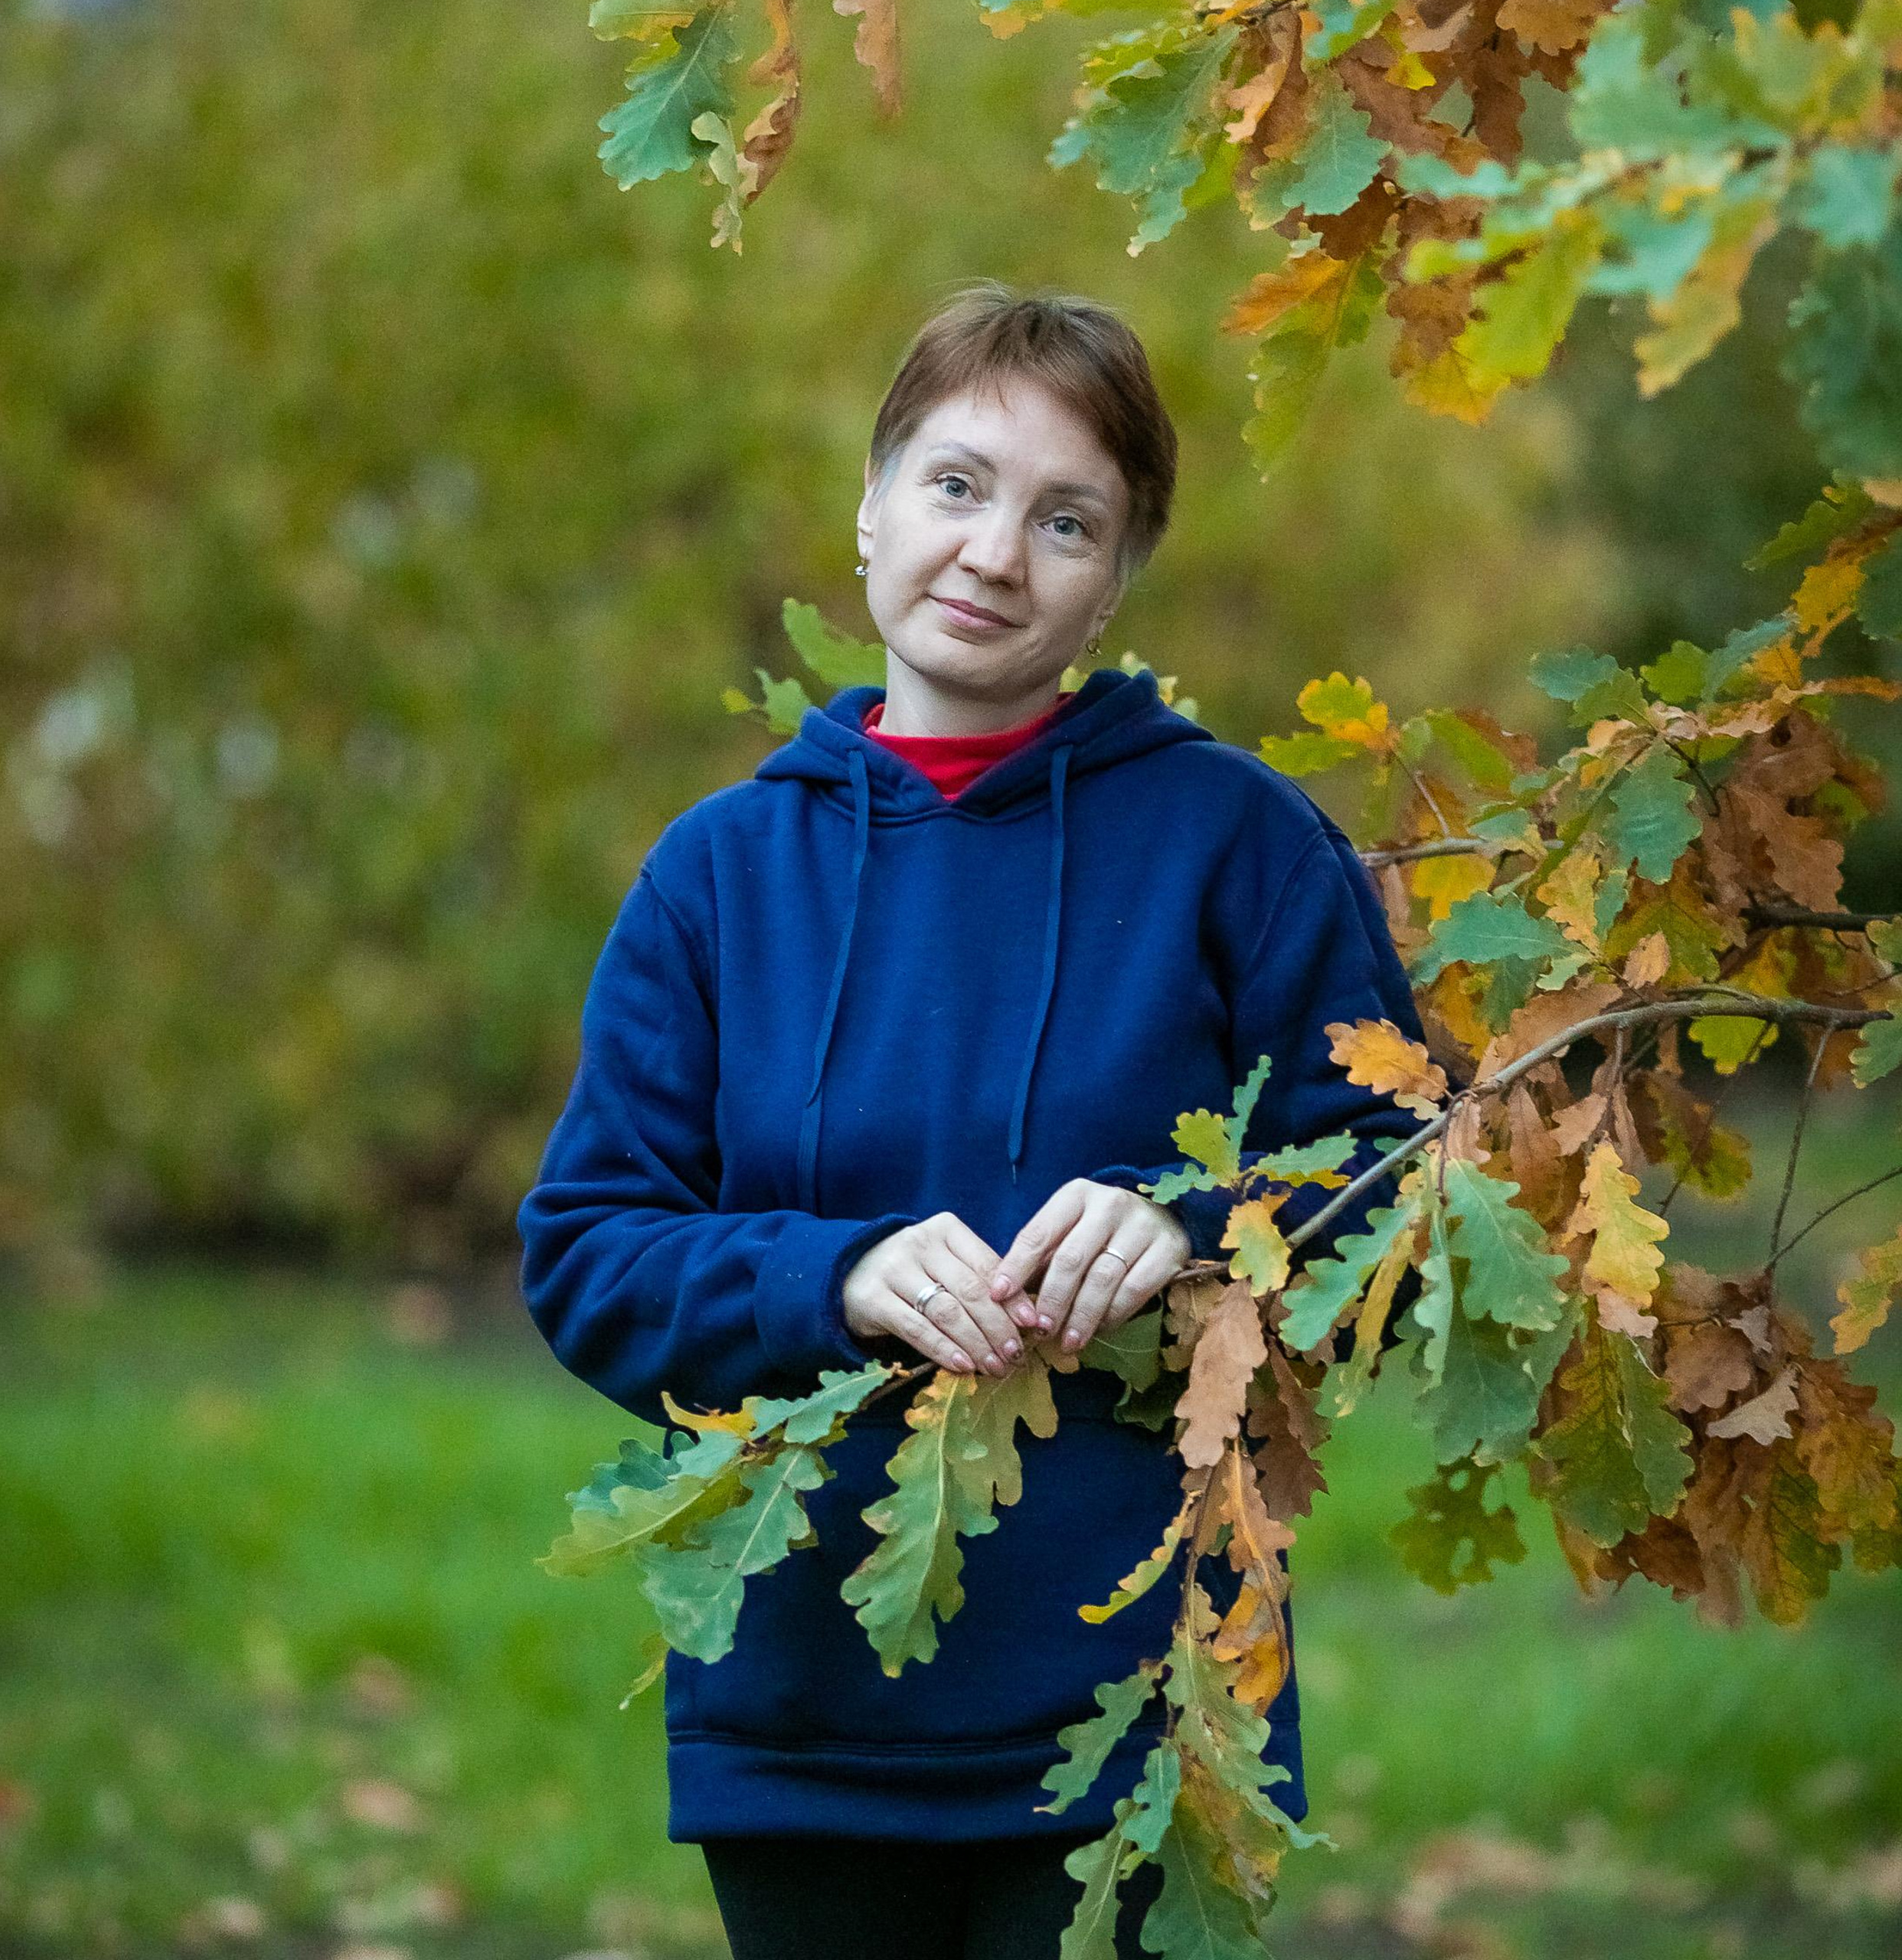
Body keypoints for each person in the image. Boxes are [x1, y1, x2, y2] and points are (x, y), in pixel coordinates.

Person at [516, 282, 1427, 1958]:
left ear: (1112, 581)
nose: (992, 553)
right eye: (953, 485)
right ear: (866, 508)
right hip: (806, 1710)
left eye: (1061, 518)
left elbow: (1399, 1163)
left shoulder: (1237, 843)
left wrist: (1189, 1215)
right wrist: (834, 1278)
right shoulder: (715, 876)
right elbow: (589, 1251)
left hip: (1150, 1699)